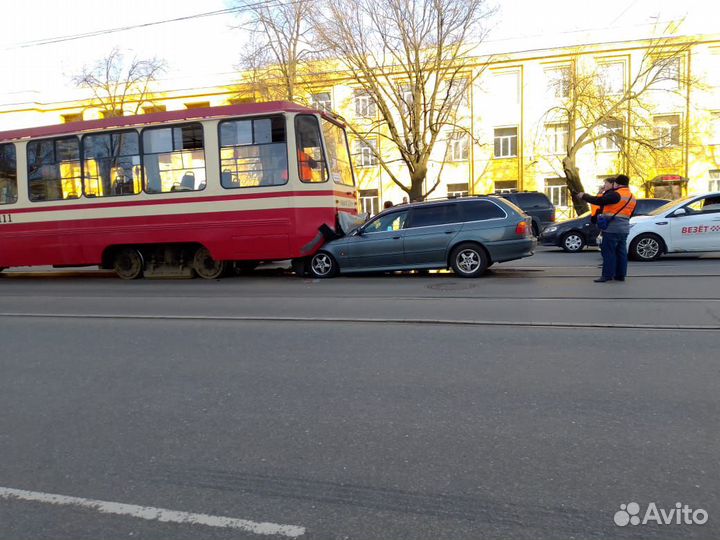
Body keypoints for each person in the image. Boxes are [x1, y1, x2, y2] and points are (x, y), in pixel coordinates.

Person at [575, 174, 637, 283]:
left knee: (609, 252)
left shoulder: (616, 194)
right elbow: (630, 214)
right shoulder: (632, 197)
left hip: (612, 228)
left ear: (616, 183)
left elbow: (599, 201)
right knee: (621, 252)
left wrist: (584, 196)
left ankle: (607, 275)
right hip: (624, 229)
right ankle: (620, 275)